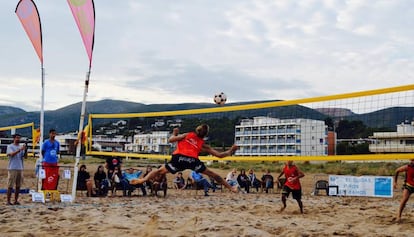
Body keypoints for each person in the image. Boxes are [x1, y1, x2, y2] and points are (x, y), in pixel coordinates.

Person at [133, 124, 238, 192]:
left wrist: (175, 133)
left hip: (179, 158)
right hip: (192, 160)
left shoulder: (187, 135)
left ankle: (143, 180)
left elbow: (171, 140)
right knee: (213, 174)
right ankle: (231, 188)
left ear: (197, 130)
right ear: (205, 135)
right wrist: (231, 151)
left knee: (159, 171)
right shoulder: (202, 144)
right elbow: (219, 155)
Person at [6, 134, 27, 205]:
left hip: (19, 167)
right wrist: (19, 150)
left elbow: (24, 157)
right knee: (10, 185)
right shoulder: (10, 146)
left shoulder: (20, 147)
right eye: (17, 138)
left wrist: (25, 150)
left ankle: (16, 200)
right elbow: (11, 154)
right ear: (14, 139)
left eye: (19, 138)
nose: (18, 139)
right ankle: (8, 201)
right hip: (12, 168)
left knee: (18, 185)